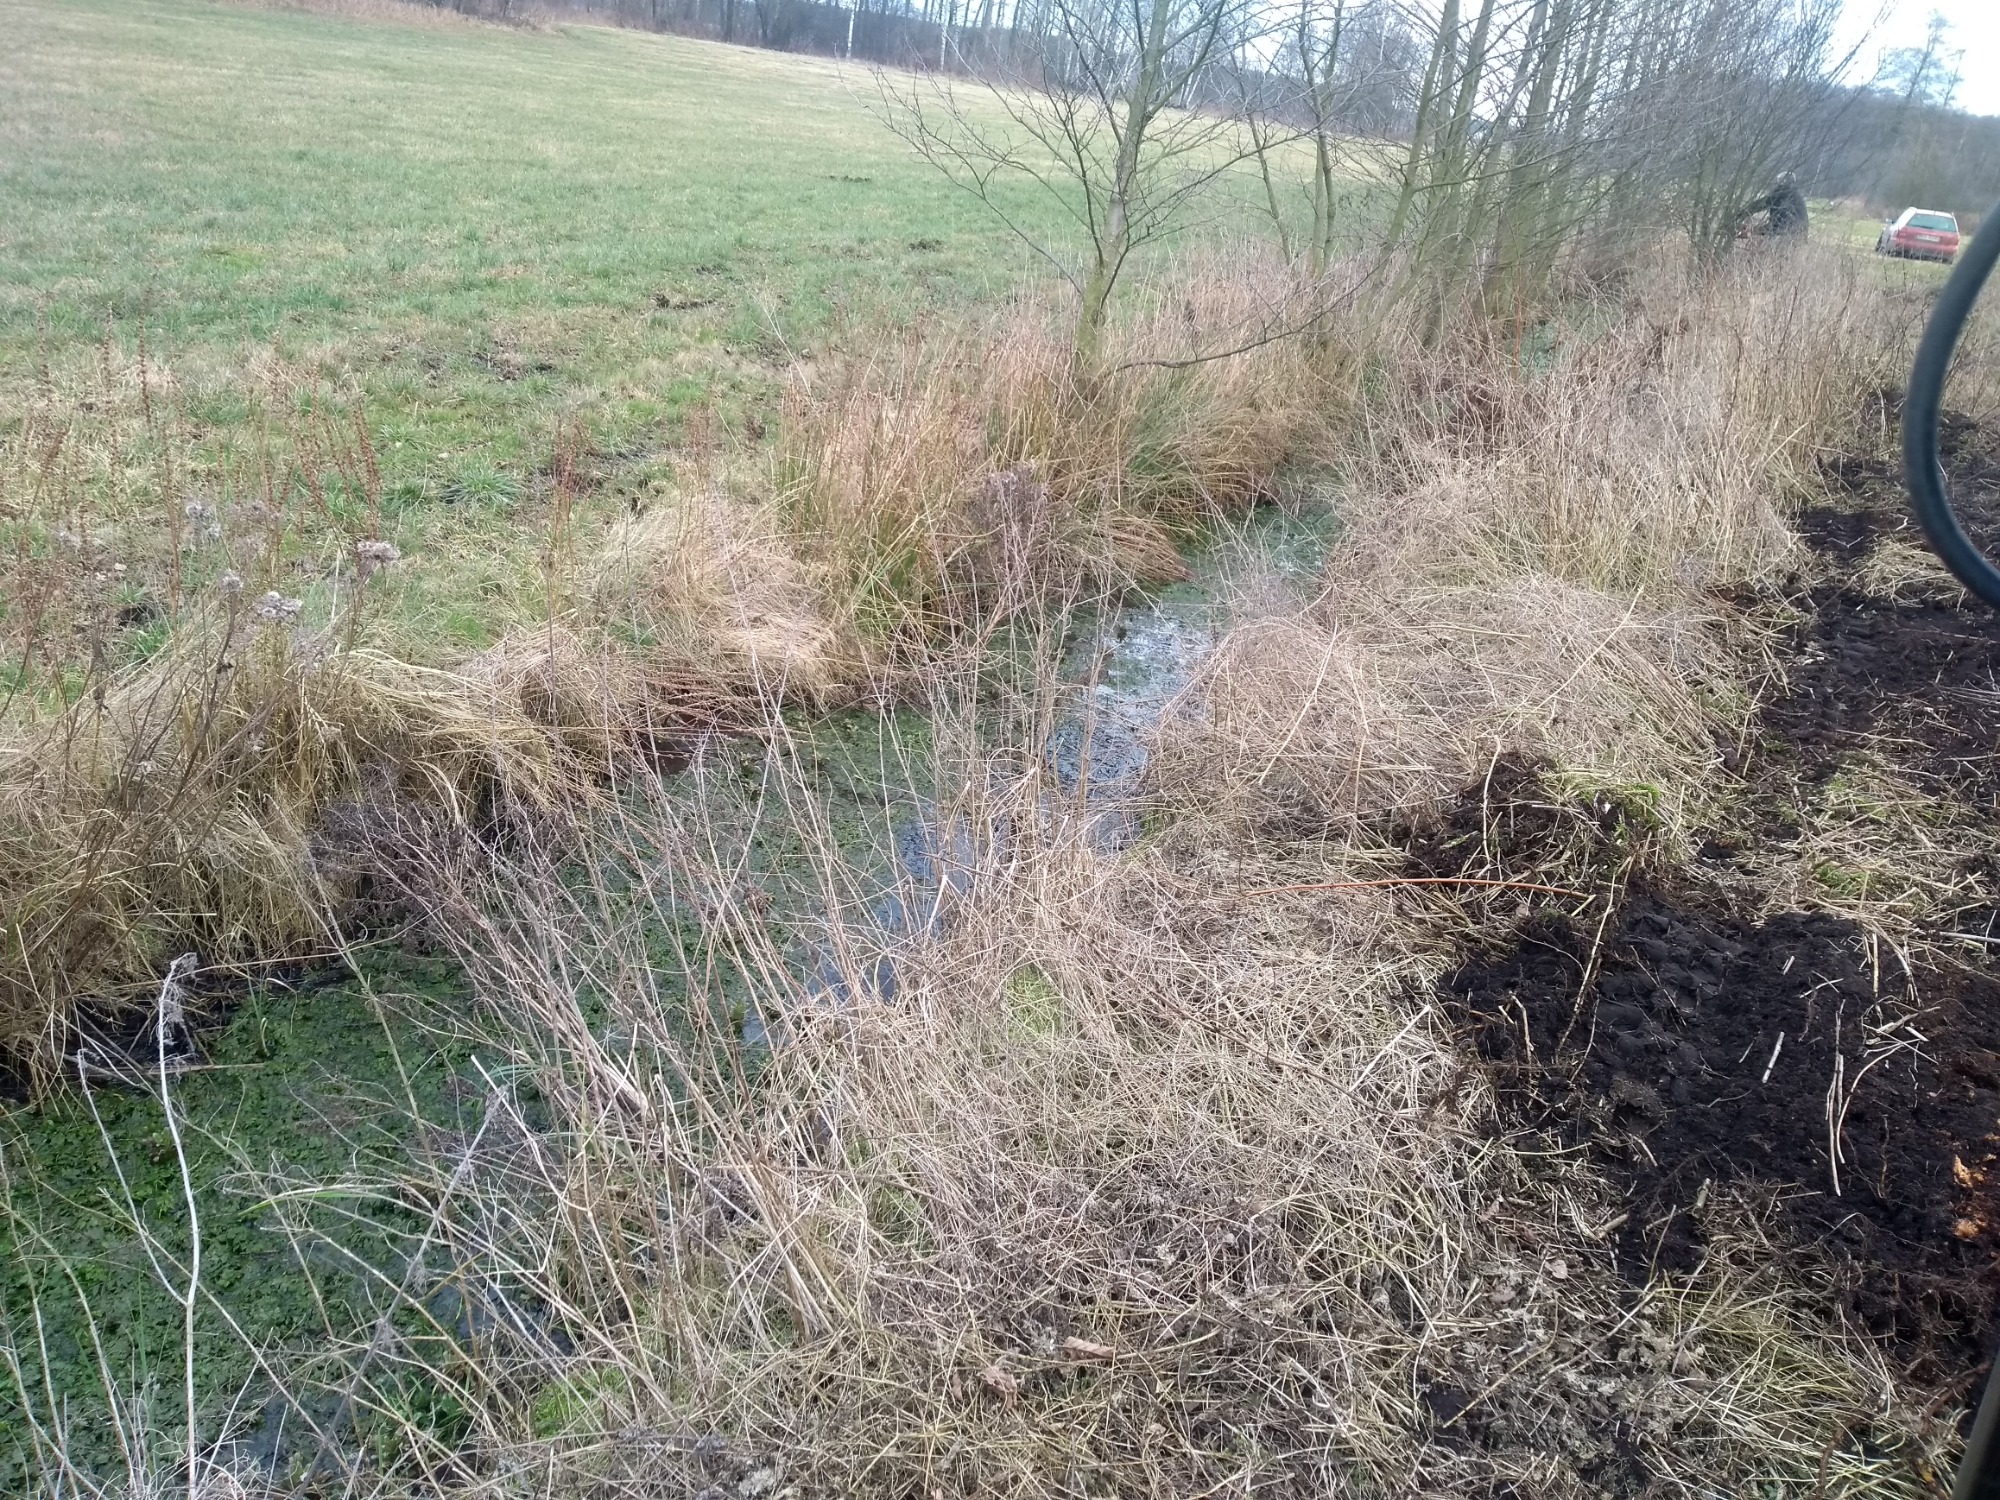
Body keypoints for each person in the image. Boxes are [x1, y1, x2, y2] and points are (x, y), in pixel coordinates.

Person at [1738, 171, 1809, 239]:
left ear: (1782, 182)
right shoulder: (1796, 196)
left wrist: (1741, 213)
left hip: (1785, 236)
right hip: (1800, 235)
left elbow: (1761, 204)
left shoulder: (1781, 194)